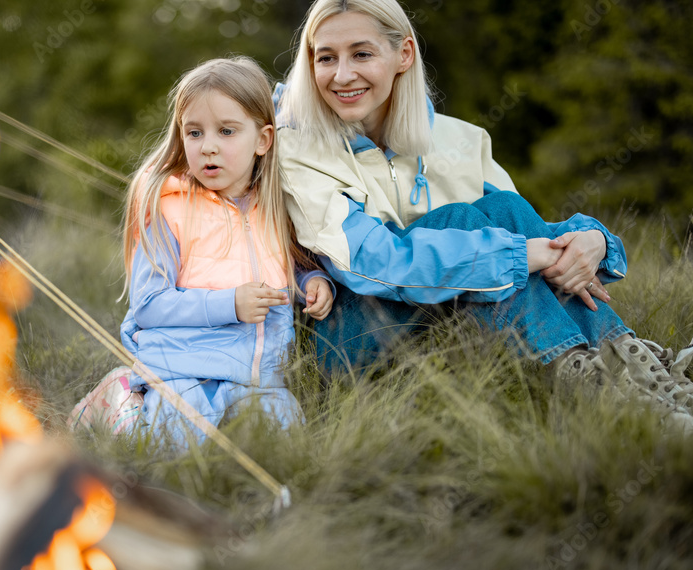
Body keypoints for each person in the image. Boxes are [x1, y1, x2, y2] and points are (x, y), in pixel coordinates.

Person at [274, 0, 693, 421]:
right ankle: (602, 392)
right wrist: (511, 257)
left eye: (361, 54)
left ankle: (643, 374)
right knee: (466, 224)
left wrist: (594, 241)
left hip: (451, 329)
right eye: (325, 58)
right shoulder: (296, 147)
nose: (342, 75)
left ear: (403, 54)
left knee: (505, 207)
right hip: (348, 337)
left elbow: (529, 233)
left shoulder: (462, 140)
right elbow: (369, 263)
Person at [72, 57, 334, 446]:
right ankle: (123, 402)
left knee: (284, 437)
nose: (208, 147)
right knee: (172, 443)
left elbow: (287, 263)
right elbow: (148, 303)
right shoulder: (169, 207)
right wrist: (229, 304)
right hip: (181, 369)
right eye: (194, 133)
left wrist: (313, 280)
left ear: (263, 140)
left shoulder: (276, 206)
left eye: (226, 131)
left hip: (257, 375)